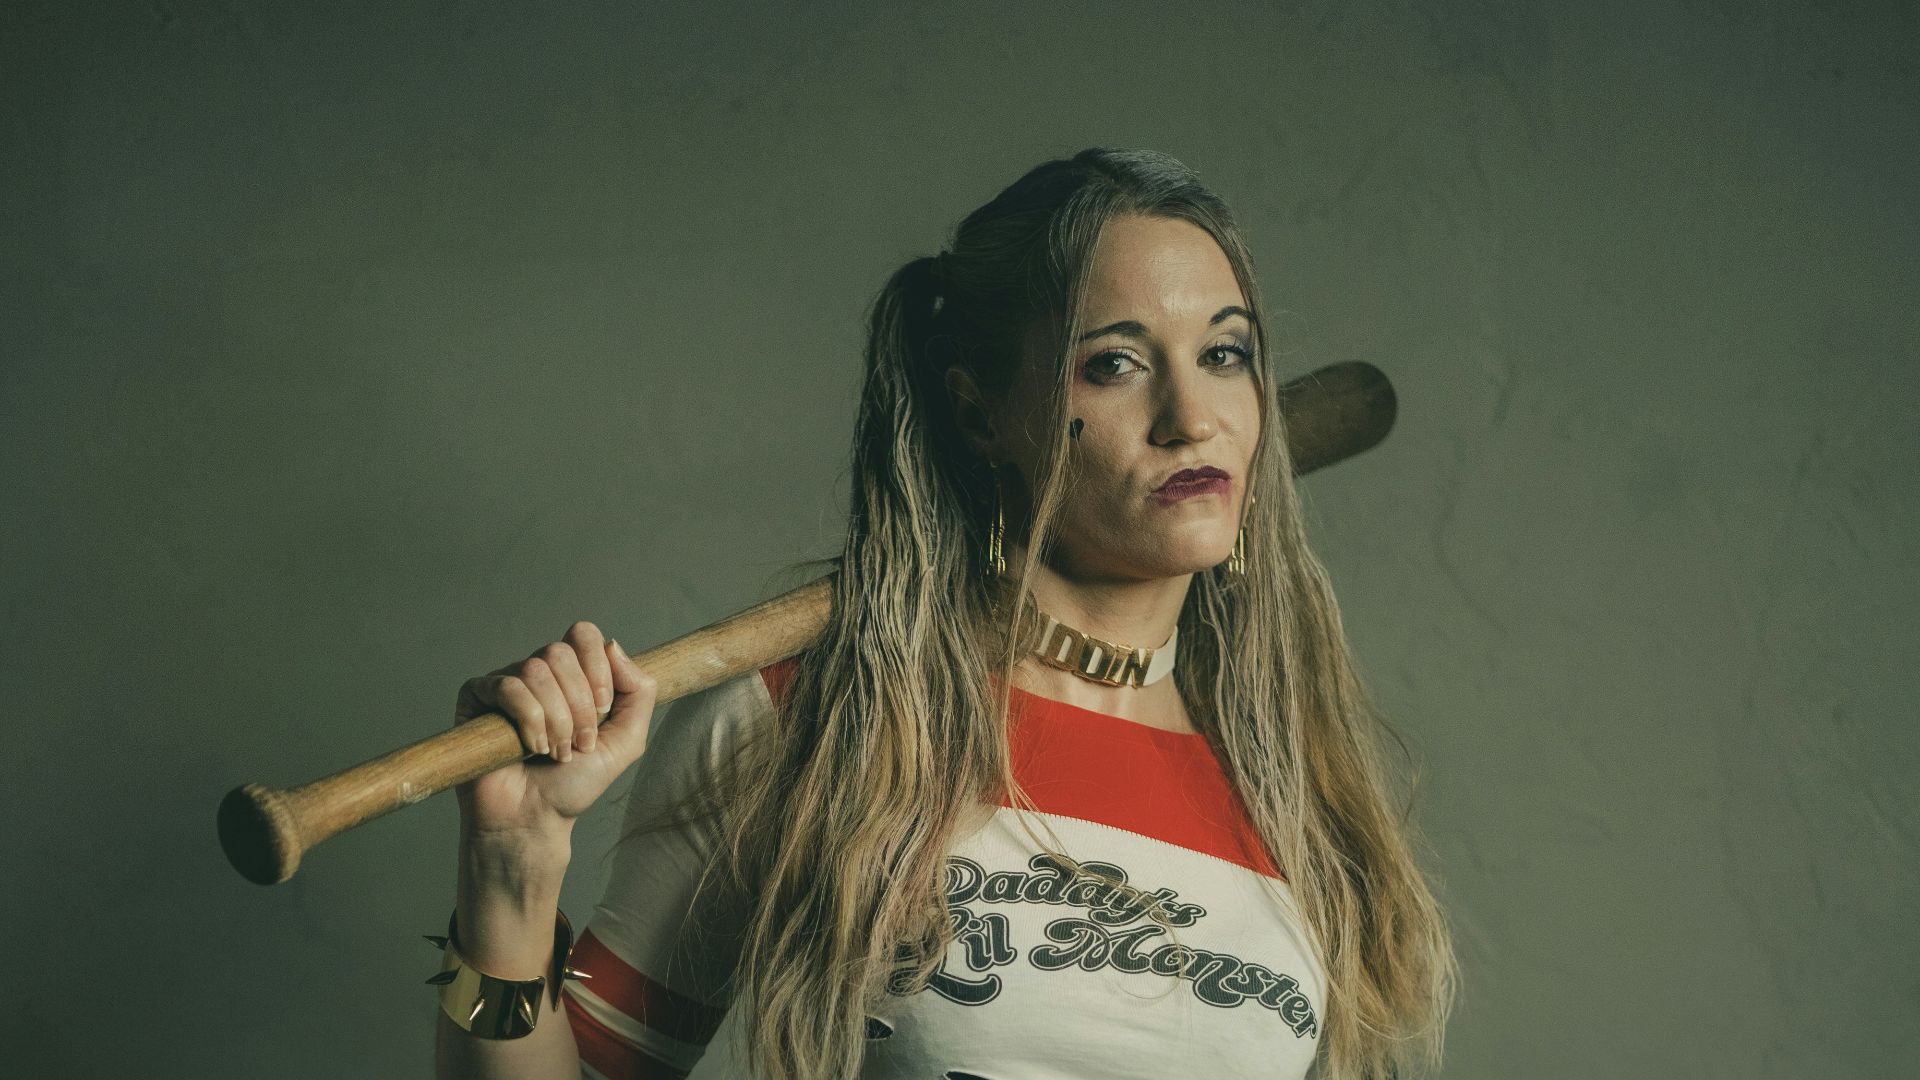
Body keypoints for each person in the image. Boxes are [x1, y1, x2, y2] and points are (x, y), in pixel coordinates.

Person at [431, 147, 1458, 1080]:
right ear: (980, 412)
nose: (1192, 417)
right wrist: (511, 869)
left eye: (1224, 354)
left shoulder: (1290, 781)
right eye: (1116, 363)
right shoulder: (810, 722)